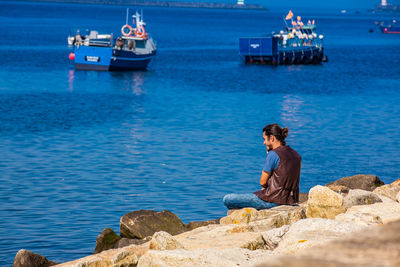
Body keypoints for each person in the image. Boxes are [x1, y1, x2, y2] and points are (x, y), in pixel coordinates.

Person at [223, 123, 301, 210]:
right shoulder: (296, 155)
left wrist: (269, 155)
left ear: (271, 138)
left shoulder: (273, 154)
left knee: (227, 199)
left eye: (264, 139)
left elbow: (263, 182)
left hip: (273, 201)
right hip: (290, 200)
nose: (264, 143)